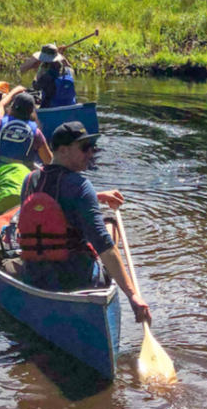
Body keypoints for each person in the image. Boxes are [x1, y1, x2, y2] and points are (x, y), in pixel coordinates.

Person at [18, 121, 151, 323]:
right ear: (63, 150)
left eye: (92, 147)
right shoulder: (80, 186)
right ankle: (106, 277)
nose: (91, 153)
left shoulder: (29, 181)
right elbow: (104, 245)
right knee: (109, 225)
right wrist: (132, 295)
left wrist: (96, 196)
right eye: (84, 147)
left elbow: (52, 204)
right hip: (76, 278)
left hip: (35, 275)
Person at [0, 86, 52, 213]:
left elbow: (0, 105)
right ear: (31, 111)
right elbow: (49, 161)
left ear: (12, 107)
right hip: (24, 183)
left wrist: (13, 92)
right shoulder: (36, 133)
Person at [19, 42, 76, 108]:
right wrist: (60, 55)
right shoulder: (69, 71)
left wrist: (40, 71)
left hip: (51, 108)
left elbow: (36, 86)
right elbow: (68, 66)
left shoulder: (46, 77)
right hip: (69, 106)